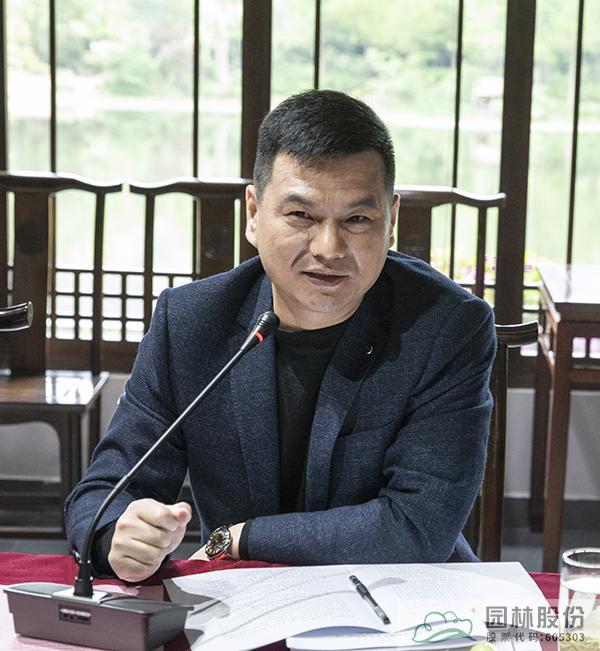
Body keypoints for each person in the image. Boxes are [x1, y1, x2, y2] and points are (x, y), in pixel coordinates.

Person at [65, 89, 496, 583]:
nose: (329, 248)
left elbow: (416, 528)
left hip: (403, 595)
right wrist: (117, 534)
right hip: (243, 599)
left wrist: (240, 538)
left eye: (357, 219)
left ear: (391, 221)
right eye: (301, 216)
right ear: (253, 213)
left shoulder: (447, 327)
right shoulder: (191, 321)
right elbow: (103, 491)